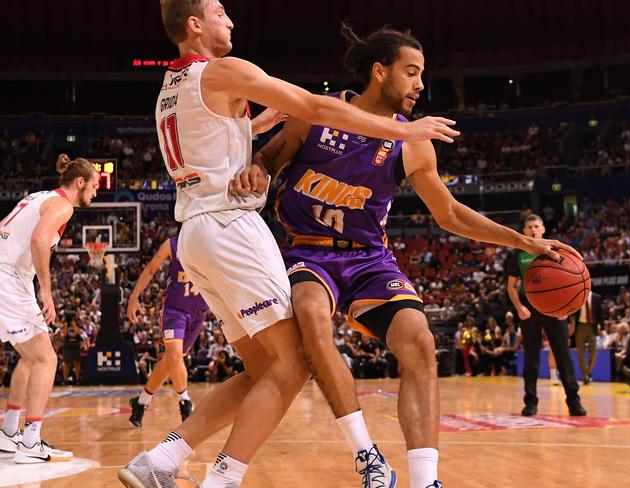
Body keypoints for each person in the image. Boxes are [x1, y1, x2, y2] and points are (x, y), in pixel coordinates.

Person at [118, 2, 460, 488]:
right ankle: (222, 479)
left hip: (193, 235)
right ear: (195, 25)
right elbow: (319, 109)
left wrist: (253, 129)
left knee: (264, 368)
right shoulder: (225, 70)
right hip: (230, 227)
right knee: (294, 361)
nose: (231, 21)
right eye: (220, 12)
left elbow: (215, 136)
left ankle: (160, 461)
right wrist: (406, 129)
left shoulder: (172, 87)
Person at [230, 23, 582, 488]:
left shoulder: (412, 142)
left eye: (422, 74)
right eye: (410, 72)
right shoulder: (319, 113)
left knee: (419, 340)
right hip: (308, 252)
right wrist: (257, 168)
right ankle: (368, 456)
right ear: (380, 72)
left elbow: (450, 213)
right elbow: (271, 158)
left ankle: (424, 480)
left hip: (369, 259)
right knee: (312, 316)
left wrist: (524, 241)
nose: (419, 84)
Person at [0, 154, 99, 463]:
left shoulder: (40, 196)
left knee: (31, 358)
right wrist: (46, 290)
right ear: (80, 182)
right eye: (94, 186)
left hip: (9, 273)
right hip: (10, 276)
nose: (96, 193)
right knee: (46, 358)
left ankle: (9, 432)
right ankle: (30, 443)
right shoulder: (63, 205)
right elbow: (40, 240)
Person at [506, 214, 587, 417]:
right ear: (524, 231)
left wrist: (567, 311)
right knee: (531, 358)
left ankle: (574, 402)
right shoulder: (518, 254)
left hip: (556, 309)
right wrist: (518, 307)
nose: (533, 230)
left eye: (536, 226)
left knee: (563, 356)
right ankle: (530, 402)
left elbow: (575, 285)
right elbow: (511, 287)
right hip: (530, 308)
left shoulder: (556, 251)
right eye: (529, 227)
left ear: (543, 229)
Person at [127, 235, 210, 427]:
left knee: (169, 362)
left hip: (199, 312)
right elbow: (150, 269)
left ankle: (140, 402)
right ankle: (186, 402)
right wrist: (134, 297)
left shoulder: (212, 241)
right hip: (175, 311)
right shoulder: (172, 244)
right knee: (173, 357)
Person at [570, 290, 603, 384]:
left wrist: (603, 328)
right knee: (580, 353)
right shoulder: (578, 297)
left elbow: (600, 313)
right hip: (580, 327)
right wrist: (572, 326)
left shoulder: (596, 297)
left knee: (593, 353)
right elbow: (573, 313)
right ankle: (585, 376)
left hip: (592, 326)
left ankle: (587, 372)